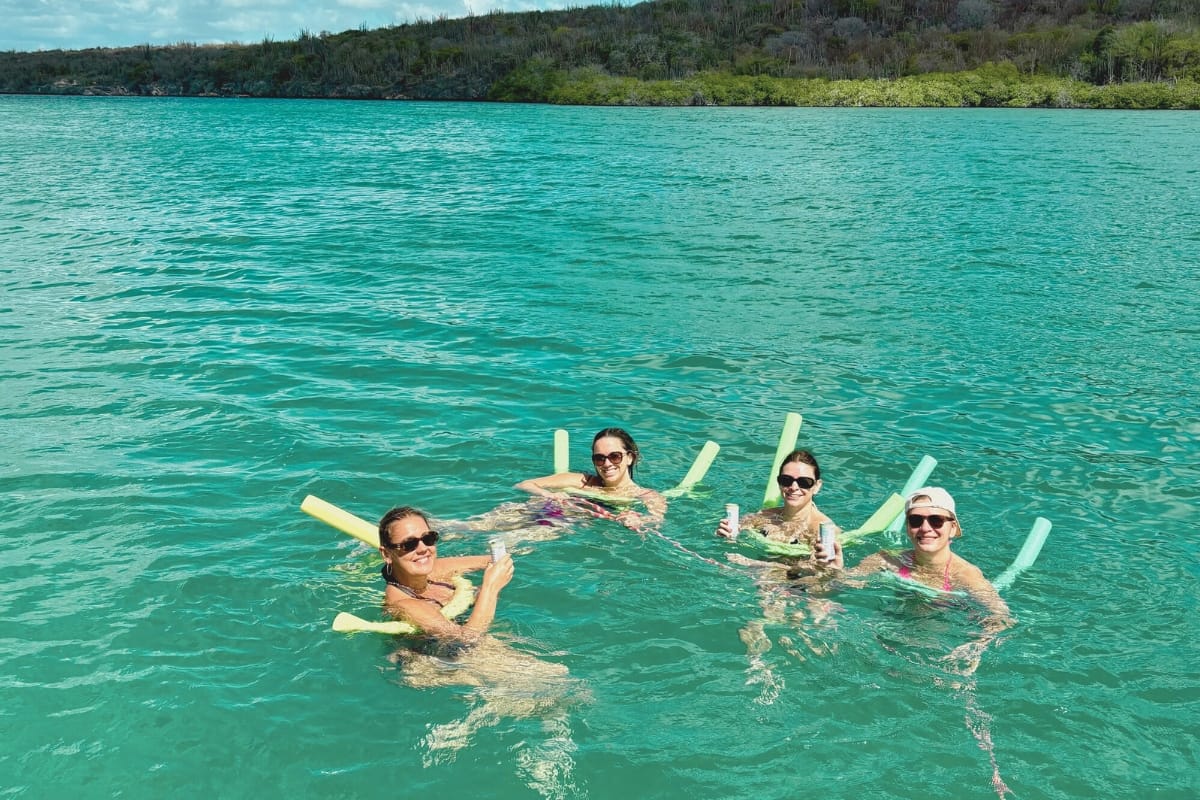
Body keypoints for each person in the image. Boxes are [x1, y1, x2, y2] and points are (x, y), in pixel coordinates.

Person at [378, 505, 513, 641]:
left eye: (428, 538)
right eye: (409, 544)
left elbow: (497, 561)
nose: (423, 549)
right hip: (430, 656)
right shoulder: (405, 603)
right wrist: (490, 588)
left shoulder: (437, 569)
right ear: (387, 554)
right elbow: (467, 640)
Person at [514, 427, 666, 531]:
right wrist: (548, 494)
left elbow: (657, 520)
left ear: (630, 458)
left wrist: (637, 520)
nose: (607, 464)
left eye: (614, 456)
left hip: (556, 523)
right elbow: (523, 484)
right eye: (599, 458)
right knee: (493, 521)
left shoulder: (646, 495)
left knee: (511, 542)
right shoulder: (579, 481)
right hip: (534, 509)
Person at [717, 449, 839, 571]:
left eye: (804, 482)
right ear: (779, 483)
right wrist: (725, 534)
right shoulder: (764, 516)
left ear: (817, 486)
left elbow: (815, 572)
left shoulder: (822, 530)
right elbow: (733, 537)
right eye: (786, 480)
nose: (793, 487)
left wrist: (752, 563)